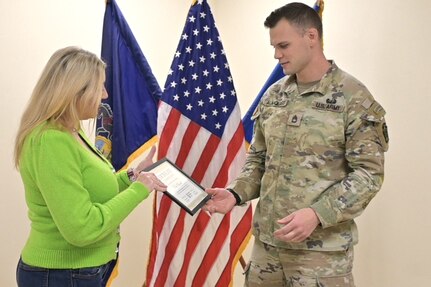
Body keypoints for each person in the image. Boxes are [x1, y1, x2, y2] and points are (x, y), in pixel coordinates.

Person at [204, 2, 389, 286]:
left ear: (311, 37)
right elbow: (259, 159)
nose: (277, 55)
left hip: (320, 258)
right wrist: (236, 193)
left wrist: (317, 214)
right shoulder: (274, 96)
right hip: (267, 248)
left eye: (284, 45)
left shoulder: (352, 98)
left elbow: (368, 175)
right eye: (274, 47)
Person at [13, 46, 167, 287]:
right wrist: (140, 191)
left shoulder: (72, 131)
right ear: (74, 91)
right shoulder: (51, 140)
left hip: (79, 271)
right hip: (60, 274)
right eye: (100, 87)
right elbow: (81, 228)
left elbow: (91, 190)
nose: (105, 95)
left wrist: (132, 177)